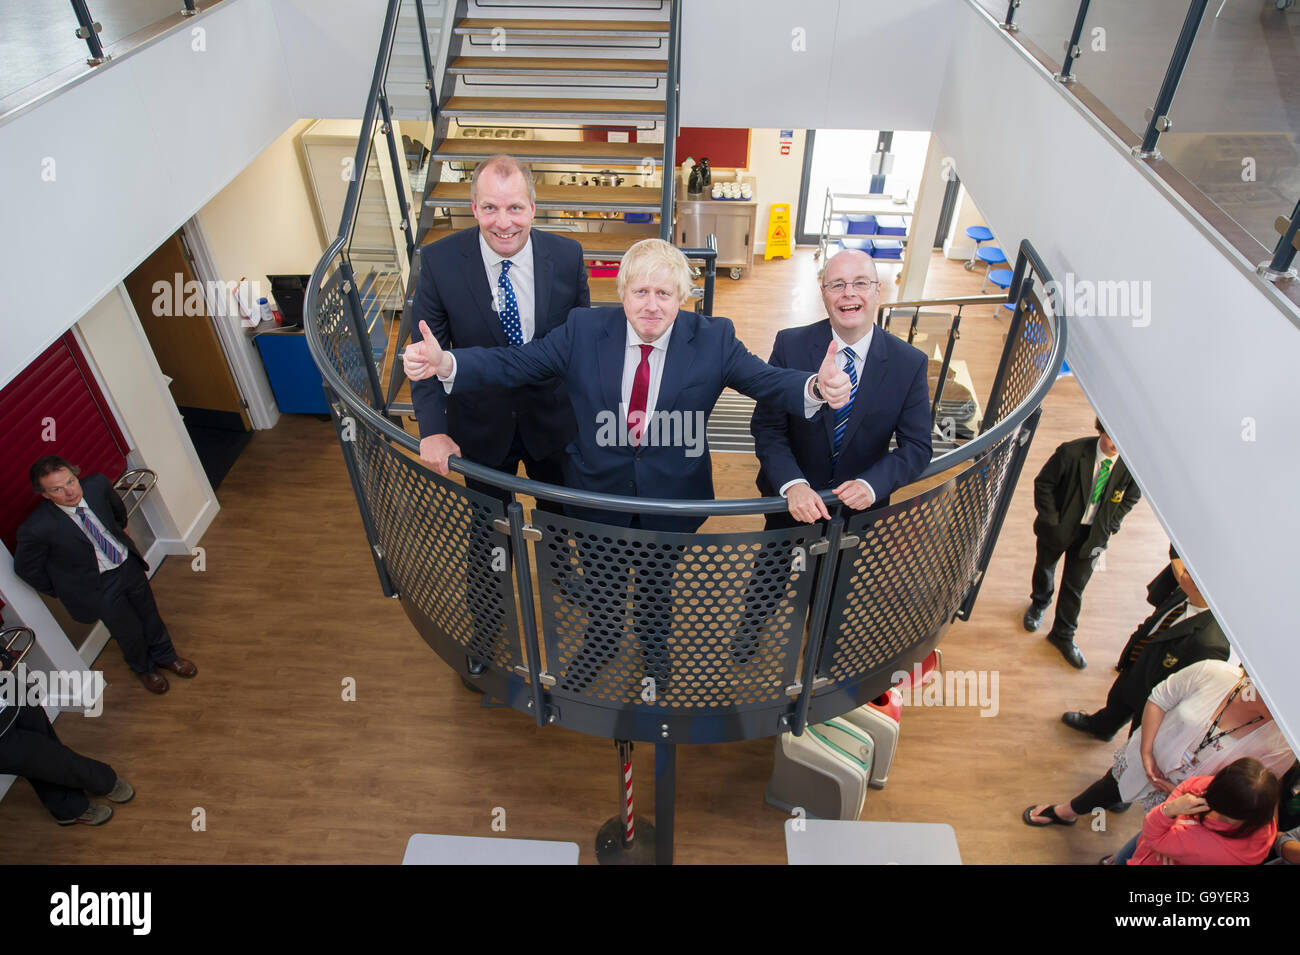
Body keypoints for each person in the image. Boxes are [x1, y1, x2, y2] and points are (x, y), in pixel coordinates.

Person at [403, 238, 852, 691]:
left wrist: (816, 387)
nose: (652, 306)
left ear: (682, 298)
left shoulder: (715, 339)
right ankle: (603, 638)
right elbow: (513, 363)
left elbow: (768, 381)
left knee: (659, 582)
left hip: (673, 496)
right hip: (596, 491)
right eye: (641, 292)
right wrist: (447, 362)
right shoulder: (582, 329)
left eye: (664, 294)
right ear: (622, 294)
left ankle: (654, 646)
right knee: (603, 580)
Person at [408, 154, 590, 492]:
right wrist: (433, 430)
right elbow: (425, 353)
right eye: (491, 208)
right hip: (480, 425)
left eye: (515, 208)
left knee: (562, 522)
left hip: (554, 424)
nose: (503, 223)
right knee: (490, 526)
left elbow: (580, 346)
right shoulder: (439, 263)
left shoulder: (568, 257)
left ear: (533, 207)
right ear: (474, 208)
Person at [751, 248, 932, 527]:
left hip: (860, 512)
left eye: (860, 283)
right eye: (837, 284)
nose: (849, 292)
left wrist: (872, 485)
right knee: (775, 570)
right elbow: (768, 426)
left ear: (877, 291)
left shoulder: (909, 363)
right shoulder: (790, 346)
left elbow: (917, 446)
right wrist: (793, 484)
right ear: (823, 294)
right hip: (792, 505)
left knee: (844, 572)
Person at [1023, 659, 1294, 827]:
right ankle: (1065, 812)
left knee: (1156, 832)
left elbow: (1251, 786)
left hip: (1193, 801)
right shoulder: (1213, 672)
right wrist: (1146, 753)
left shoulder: (1284, 741)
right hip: (1146, 757)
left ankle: (1123, 859)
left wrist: (1192, 796)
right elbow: (1159, 699)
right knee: (1110, 787)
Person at [13, 457, 197, 695]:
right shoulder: (37, 528)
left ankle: (167, 657)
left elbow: (117, 512)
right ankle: (144, 668)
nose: (69, 492)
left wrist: (121, 532)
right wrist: (64, 588)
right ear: (45, 495)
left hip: (126, 564)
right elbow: (26, 569)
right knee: (127, 631)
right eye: (57, 489)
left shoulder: (97, 485)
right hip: (98, 586)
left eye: (71, 481)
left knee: (149, 614)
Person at [1061, 555, 1229, 741]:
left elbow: (1190, 685)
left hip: (1154, 697)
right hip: (1136, 667)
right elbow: (1155, 621)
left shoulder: (1210, 642)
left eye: (1188, 572)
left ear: (1202, 587)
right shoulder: (1183, 592)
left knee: (1136, 737)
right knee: (1116, 702)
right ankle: (1102, 727)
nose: (1181, 571)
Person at [1024, 417, 1141, 669]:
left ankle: (1063, 635)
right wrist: (1052, 520)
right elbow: (1043, 484)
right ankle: (1039, 603)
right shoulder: (1071, 452)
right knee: (1045, 567)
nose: (1116, 444)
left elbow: (1132, 497)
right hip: (1059, 528)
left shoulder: (1131, 465)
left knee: (1075, 586)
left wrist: (1112, 525)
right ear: (1100, 430)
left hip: (1095, 536)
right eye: (1112, 436)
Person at [0, 650, 134, 825]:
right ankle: (103, 782)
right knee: (47, 756)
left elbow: (5, 657)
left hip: (13, 695)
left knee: (43, 757)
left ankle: (67, 808)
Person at [1107, 758, 1279, 866]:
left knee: (1124, 858)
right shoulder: (1258, 808)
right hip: (1156, 841)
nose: (1207, 786)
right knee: (1124, 855)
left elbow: (1153, 836)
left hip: (1154, 845)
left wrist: (1171, 809)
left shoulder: (1209, 847)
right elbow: (1195, 784)